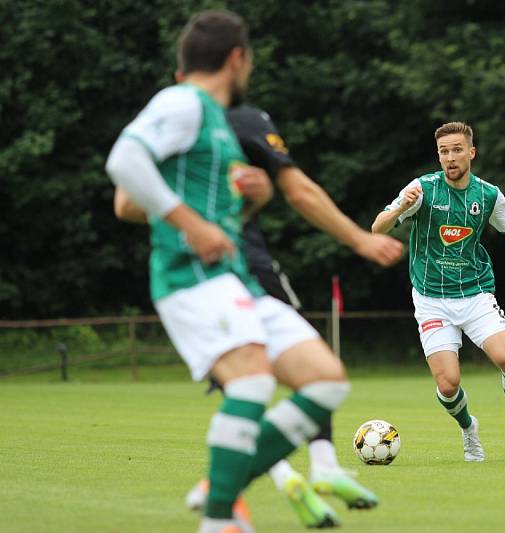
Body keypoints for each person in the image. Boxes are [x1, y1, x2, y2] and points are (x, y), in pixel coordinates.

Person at [106, 11, 402, 533]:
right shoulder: (184, 101)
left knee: (325, 380)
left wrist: (249, 204)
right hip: (189, 276)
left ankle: (225, 484)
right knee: (252, 381)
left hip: (234, 277)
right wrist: (190, 226)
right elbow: (125, 164)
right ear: (237, 58)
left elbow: (195, 204)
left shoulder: (217, 121)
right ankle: (220, 518)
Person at [371, 121, 505, 463]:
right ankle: (469, 430)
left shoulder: (489, 195)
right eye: (443, 152)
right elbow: (377, 228)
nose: (449, 157)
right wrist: (399, 207)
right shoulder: (421, 189)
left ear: (471, 153)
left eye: (456, 150)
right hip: (431, 299)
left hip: (476, 293)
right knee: (448, 385)